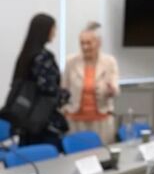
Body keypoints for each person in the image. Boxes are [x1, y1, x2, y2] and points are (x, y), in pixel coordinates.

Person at [8, 13, 69, 149]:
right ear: (45, 30)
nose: (55, 33)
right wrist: (65, 95)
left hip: (24, 121)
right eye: (53, 28)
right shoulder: (43, 57)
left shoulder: (25, 56)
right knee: (48, 158)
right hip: (43, 123)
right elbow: (48, 89)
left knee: (28, 158)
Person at [62, 22, 120, 144]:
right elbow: (63, 89)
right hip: (75, 119)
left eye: (89, 43)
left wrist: (111, 90)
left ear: (98, 43)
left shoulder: (109, 62)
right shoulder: (71, 61)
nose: (85, 47)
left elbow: (115, 88)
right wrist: (64, 111)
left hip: (102, 119)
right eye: (82, 43)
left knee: (102, 152)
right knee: (77, 154)